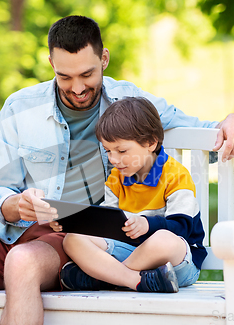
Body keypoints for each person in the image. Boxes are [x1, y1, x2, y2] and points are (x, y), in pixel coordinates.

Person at [0, 15, 234, 325]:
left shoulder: (129, 103)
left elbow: (201, 133)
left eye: (87, 74)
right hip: (7, 230)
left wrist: (233, 120)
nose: (78, 87)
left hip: (70, 239)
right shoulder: (20, 108)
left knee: (21, 264)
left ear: (104, 58)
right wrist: (16, 204)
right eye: (64, 76)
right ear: (50, 62)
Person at [51, 97, 206, 293]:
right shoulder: (116, 178)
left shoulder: (176, 176)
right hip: (132, 255)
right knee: (72, 239)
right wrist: (71, 222)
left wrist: (147, 224)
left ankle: (105, 279)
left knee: (163, 239)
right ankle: (135, 280)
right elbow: (107, 228)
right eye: (108, 151)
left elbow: (182, 228)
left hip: (176, 263)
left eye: (122, 151)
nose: (114, 159)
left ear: (150, 142)